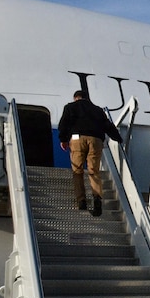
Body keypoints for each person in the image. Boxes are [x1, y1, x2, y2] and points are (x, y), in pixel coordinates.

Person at [56, 89, 122, 217]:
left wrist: (63, 139)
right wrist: (118, 139)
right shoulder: (98, 110)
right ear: (87, 98)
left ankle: (82, 202)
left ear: (76, 98)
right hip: (96, 140)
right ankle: (97, 200)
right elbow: (108, 126)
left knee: (78, 170)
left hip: (77, 138)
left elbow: (63, 124)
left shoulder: (70, 107)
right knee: (93, 171)